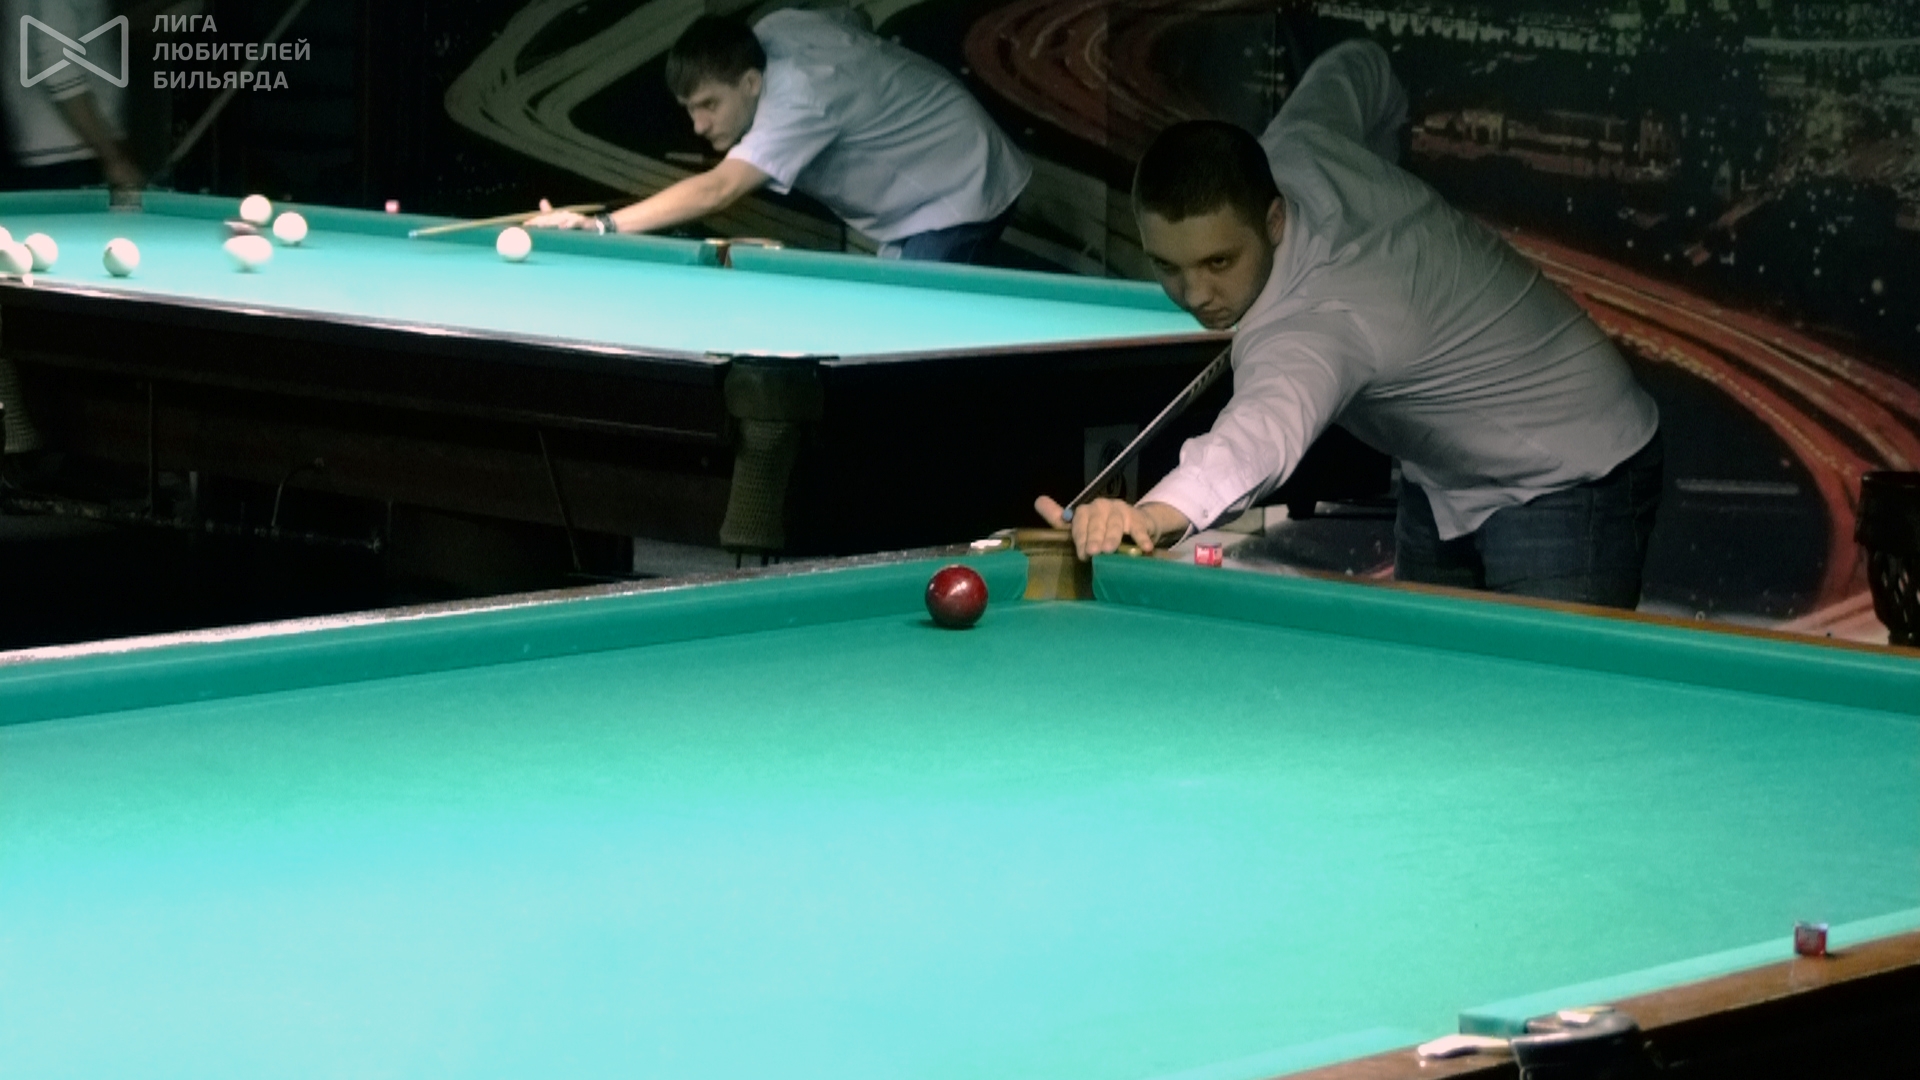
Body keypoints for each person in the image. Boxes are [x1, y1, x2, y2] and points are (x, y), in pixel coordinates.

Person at [1036, 39, 1662, 609]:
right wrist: (1384, 167)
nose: (1194, 294)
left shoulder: (1320, 322)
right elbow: (1363, 65)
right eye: (1168, 266)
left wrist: (1151, 516)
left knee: (1536, 692)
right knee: (1425, 679)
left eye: (1219, 262)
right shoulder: (1301, 141)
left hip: (1569, 463)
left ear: (1273, 221)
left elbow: (1259, 435)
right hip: (1443, 473)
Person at [529, 9, 1029, 263]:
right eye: (690, 109)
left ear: (751, 83)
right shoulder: (776, 28)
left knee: (910, 344)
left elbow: (718, 189)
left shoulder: (800, 101)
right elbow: (854, 19)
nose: (698, 126)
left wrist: (601, 227)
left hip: (962, 183)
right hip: (932, 165)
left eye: (709, 105)